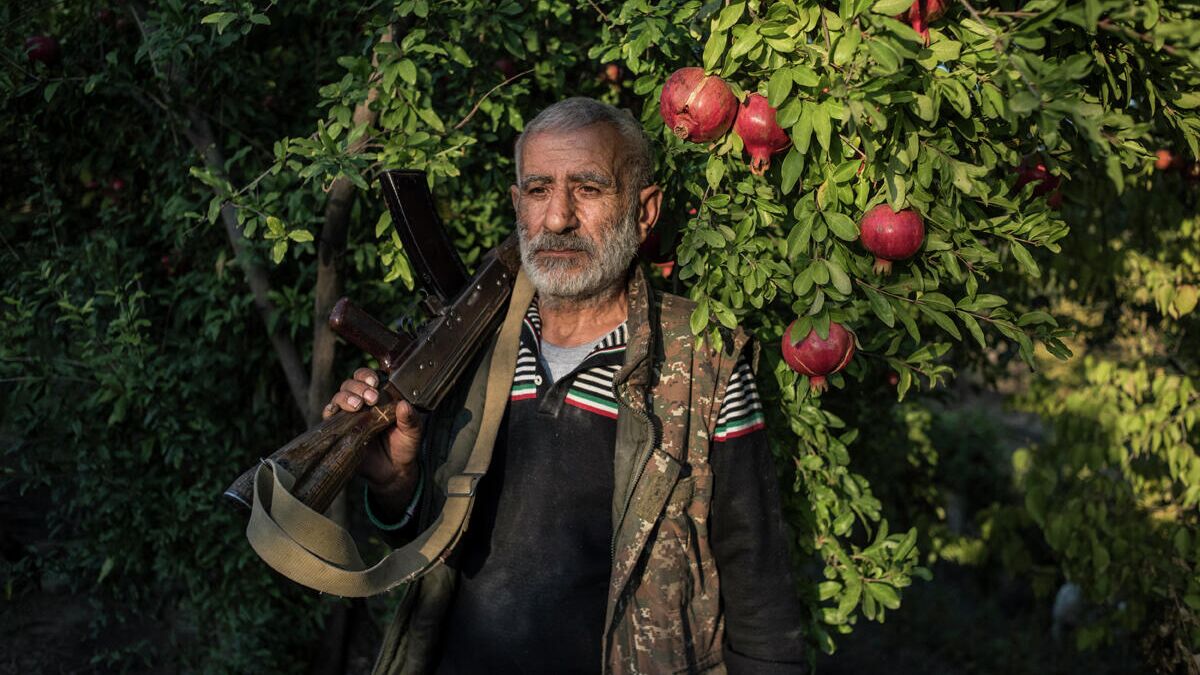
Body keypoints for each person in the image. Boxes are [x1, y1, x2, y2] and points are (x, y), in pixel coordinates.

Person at [323, 97, 808, 674]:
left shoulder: (705, 361)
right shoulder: (469, 350)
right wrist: (395, 484)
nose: (557, 218)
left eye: (589, 189)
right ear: (517, 205)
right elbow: (430, 545)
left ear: (644, 211)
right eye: (537, 191)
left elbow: (760, 596)